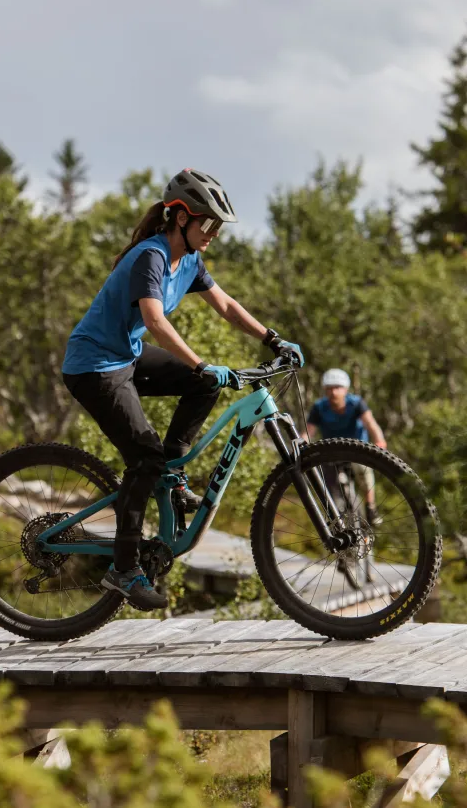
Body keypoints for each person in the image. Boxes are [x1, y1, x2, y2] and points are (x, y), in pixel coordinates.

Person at [61, 168, 303, 611]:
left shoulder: (188, 259)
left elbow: (227, 306)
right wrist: (201, 363)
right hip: (94, 366)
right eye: (205, 223)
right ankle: (123, 567)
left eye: (215, 226)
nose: (211, 234)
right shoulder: (150, 257)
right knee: (145, 456)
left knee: (200, 387)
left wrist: (273, 338)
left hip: (126, 356)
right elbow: (155, 320)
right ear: (178, 218)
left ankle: (171, 476)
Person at [306, 368, 388, 525]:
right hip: (331, 452)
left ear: (345, 389)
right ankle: (334, 518)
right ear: (325, 389)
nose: (333, 392)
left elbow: (371, 424)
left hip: (356, 450)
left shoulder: (356, 403)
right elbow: (309, 431)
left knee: (362, 470)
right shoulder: (319, 407)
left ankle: (371, 507)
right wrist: (303, 447)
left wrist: (380, 442)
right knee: (328, 483)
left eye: (337, 388)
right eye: (329, 388)